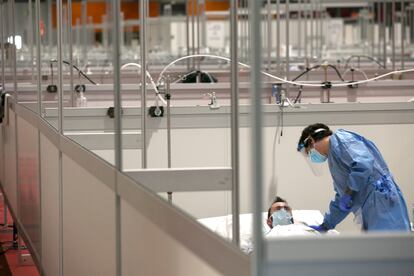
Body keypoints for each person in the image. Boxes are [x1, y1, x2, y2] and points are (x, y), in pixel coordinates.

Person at [297, 123, 410, 232]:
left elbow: (363, 165)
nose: (312, 156)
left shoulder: (340, 139)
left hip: (381, 203)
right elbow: (342, 198)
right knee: (379, 247)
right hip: (371, 207)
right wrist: (326, 224)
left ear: (311, 141)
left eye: (309, 152)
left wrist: (349, 193)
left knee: (391, 246)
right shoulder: (334, 158)